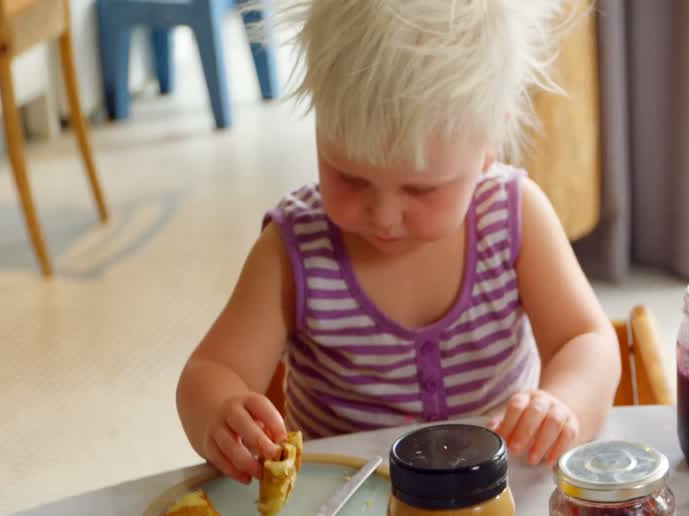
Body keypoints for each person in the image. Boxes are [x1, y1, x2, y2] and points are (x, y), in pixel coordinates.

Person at [176, 0, 620, 483]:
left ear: (490, 144)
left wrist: (563, 405)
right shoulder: (293, 249)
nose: (383, 216)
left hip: (492, 504)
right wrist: (219, 413)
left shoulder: (514, 217)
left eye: (421, 189)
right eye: (349, 177)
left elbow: (587, 341)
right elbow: (210, 370)